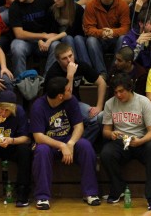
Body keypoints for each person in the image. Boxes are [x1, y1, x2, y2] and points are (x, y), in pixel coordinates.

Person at [30, 77, 100, 210]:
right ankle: (42, 196)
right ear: (60, 96)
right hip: (49, 143)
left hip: (68, 140)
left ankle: (90, 193)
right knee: (41, 151)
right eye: (68, 89)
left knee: (85, 146)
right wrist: (62, 146)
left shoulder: (71, 100)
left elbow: (79, 126)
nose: (71, 90)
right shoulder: (38, 106)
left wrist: (71, 143)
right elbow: (38, 137)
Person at [101, 73, 151, 209]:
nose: (118, 95)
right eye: (115, 92)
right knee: (106, 153)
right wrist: (111, 134)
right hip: (121, 141)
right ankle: (119, 188)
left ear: (130, 88)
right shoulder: (110, 103)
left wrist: (140, 141)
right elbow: (106, 131)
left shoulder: (143, 102)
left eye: (121, 91)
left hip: (141, 140)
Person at [44, 43, 106, 143]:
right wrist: (70, 75)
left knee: (97, 119)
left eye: (70, 56)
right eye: (64, 58)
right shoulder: (53, 73)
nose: (69, 60)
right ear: (58, 60)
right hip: (56, 107)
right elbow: (67, 96)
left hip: (74, 104)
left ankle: (78, 145)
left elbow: (102, 83)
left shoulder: (80, 65)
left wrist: (99, 106)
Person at [8, 0, 60, 76]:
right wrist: (42, 36)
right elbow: (19, 34)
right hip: (25, 41)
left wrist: (46, 39)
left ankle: (48, 79)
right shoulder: (14, 7)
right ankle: (21, 81)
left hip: (45, 41)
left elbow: (55, 25)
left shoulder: (46, 1)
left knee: (56, 45)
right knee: (17, 47)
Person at [83, 0, 130, 77]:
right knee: (91, 40)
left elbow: (126, 28)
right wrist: (102, 33)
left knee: (123, 38)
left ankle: (113, 72)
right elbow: (88, 29)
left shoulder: (122, 4)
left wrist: (112, 32)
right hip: (99, 39)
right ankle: (102, 73)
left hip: (115, 39)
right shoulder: (91, 4)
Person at [50, 0, 89, 65]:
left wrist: (50, 40)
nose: (55, 1)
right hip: (59, 37)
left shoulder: (78, 9)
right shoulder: (53, 10)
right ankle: (73, 65)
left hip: (76, 35)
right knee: (68, 38)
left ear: (67, 0)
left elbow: (72, 30)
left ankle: (85, 66)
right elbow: (52, 29)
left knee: (76, 39)